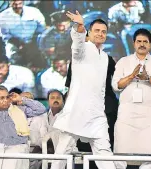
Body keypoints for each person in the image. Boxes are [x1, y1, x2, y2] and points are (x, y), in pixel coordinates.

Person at [50, 11, 116, 169]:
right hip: (76, 113)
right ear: (90, 33)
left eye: (104, 31)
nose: (100, 34)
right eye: (97, 30)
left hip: (97, 116)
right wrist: (79, 26)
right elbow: (77, 43)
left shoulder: (106, 58)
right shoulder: (83, 49)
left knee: (105, 155)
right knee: (61, 156)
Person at [112, 28, 151, 169]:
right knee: (121, 154)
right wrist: (131, 76)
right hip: (127, 116)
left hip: (150, 117)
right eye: (139, 41)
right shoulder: (124, 62)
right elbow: (116, 85)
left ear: (150, 44)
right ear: (134, 43)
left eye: (145, 42)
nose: (142, 44)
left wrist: (147, 78)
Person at [0, 85, 46, 169]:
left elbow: (41, 109)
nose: (5, 100)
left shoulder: (20, 109)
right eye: (1, 98)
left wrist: (21, 99)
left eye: (7, 97)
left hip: (17, 147)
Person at [0, 0, 47, 69]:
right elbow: (6, 36)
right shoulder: (2, 17)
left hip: (34, 41)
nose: (17, 6)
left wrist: (33, 43)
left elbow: (41, 29)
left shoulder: (35, 12)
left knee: (42, 56)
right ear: (9, 3)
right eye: (14, 4)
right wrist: (20, 45)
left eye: (19, 3)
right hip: (15, 43)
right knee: (12, 57)